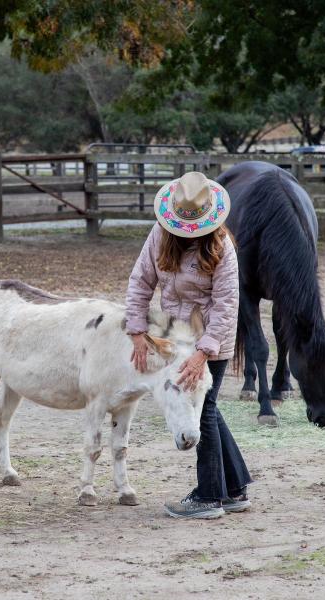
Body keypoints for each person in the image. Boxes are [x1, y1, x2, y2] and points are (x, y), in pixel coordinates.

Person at [125, 171, 253, 519]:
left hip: (212, 338)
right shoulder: (159, 235)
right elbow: (141, 281)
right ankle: (235, 488)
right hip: (177, 335)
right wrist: (136, 329)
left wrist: (203, 352)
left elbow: (227, 306)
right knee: (208, 406)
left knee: (204, 410)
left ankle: (209, 496)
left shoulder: (222, 247)